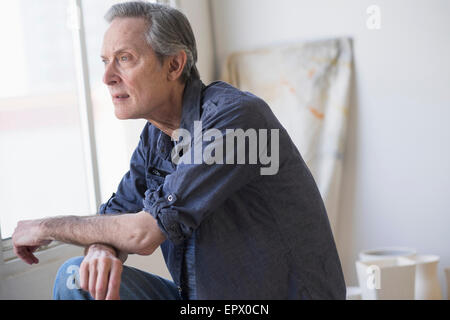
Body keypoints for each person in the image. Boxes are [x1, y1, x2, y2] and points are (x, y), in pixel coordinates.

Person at [12, 2, 346, 300]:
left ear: (174, 65)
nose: (107, 77)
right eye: (105, 61)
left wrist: (45, 227)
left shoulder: (236, 120)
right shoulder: (155, 138)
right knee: (77, 278)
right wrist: (102, 247)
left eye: (124, 59)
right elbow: (114, 217)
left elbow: (143, 234)